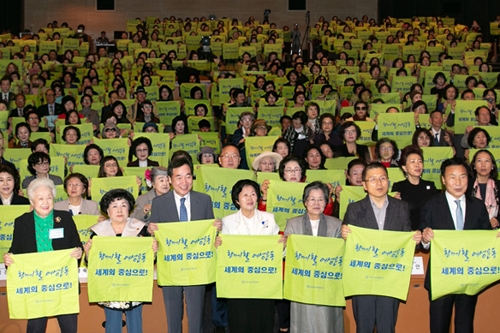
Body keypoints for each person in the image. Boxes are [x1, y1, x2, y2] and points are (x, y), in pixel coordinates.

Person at [342, 162, 421, 332]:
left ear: (388, 181)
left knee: (387, 327)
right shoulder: (354, 209)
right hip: (363, 278)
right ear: (364, 185)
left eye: (382, 178)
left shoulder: (401, 208)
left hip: (389, 277)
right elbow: (346, 243)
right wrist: (344, 235)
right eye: (373, 179)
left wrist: (415, 239)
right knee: (364, 327)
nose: (379, 183)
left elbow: (406, 240)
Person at [147, 157, 221, 333]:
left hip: (196, 266)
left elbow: (208, 235)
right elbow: (155, 235)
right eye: (178, 177)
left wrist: (216, 230)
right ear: (170, 180)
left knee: (196, 315)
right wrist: (151, 231)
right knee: (173, 315)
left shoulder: (204, 200)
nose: (184, 182)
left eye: (188, 176)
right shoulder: (158, 203)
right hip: (171, 266)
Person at [420, 158, 491, 333]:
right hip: (441, 277)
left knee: (465, 326)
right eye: (452, 177)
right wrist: (425, 238)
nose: (458, 182)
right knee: (439, 326)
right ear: (443, 180)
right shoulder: (431, 205)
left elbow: (486, 238)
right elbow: (423, 241)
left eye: (463, 177)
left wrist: (495, 237)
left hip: (468, 276)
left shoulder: (478, 206)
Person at [3, 178, 83, 333]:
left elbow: (77, 244)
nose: (45, 202)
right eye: (40, 198)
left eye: (49, 197)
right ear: (32, 202)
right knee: (35, 328)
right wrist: (9, 258)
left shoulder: (65, 218)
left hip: (62, 283)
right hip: (35, 284)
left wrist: (78, 252)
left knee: (69, 328)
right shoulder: (21, 222)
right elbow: (15, 250)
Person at [84, 189, 158, 333]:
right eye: (114, 206)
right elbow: (93, 263)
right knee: (112, 325)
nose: (119, 210)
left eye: (123, 205)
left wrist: (153, 252)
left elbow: (148, 262)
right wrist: (88, 253)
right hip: (110, 286)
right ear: (107, 210)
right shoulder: (98, 232)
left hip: (134, 285)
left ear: (129, 209)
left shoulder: (140, 229)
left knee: (135, 324)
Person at [217, 179, 281, 332]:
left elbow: (278, 253)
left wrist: (282, 245)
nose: (250, 198)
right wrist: (217, 246)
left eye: (253, 194)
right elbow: (223, 254)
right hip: (238, 280)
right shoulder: (227, 222)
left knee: (264, 319)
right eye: (244, 195)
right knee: (241, 320)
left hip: (264, 279)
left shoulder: (269, 218)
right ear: (237, 200)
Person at [284, 181, 344, 333]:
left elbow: (340, 254)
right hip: (303, 282)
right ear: (305, 202)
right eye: (312, 199)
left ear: (326, 202)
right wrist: (285, 245)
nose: (316, 203)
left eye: (320, 199)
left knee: (328, 321)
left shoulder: (336, 225)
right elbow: (286, 255)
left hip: (327, 281)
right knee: (303, 320)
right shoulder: (293, 224)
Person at [392, 145, 438, 230]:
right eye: (412, 161)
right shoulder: (399, 187)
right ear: (404, 167)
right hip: (408, 232)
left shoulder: (430, 186)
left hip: (428, 232)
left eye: (420, 161)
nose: (417, 165)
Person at [467, 149, 500, 229]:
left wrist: (498, 220)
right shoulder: (467, 185)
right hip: (471, 231)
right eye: (479, 161)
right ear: (474, 165)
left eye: (487, 161)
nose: (483, 165)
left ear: (492, 166)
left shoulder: (498, 185)